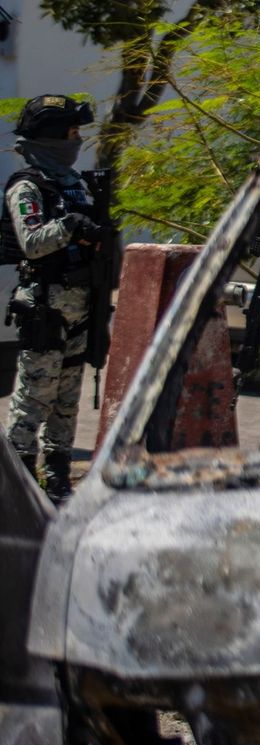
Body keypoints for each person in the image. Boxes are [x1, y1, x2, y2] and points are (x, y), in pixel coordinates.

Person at [1, 95, 112, 501]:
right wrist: (70, 226)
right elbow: (31, 242)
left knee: (67, 401)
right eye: (71, 133)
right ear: (51, 138)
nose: (77, 140)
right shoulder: (28, 186)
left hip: (83, 305)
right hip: (46, 306)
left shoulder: (78, 185)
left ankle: (59, 476)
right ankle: (19, 485)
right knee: (34, 399)